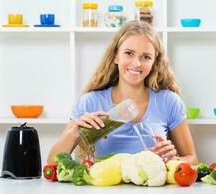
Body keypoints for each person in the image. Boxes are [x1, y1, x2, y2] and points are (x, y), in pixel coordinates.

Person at [47, 20, 198, 165]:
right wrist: (75, 131)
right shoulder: (91, 102)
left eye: (146, 57)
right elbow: (51, 163)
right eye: (129, 53)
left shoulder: (169, 101)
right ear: (116, 56)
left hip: (154, 190)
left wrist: (171, 161)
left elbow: (192, 159)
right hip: (106, 190)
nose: (136, 63)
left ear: (154, 62)